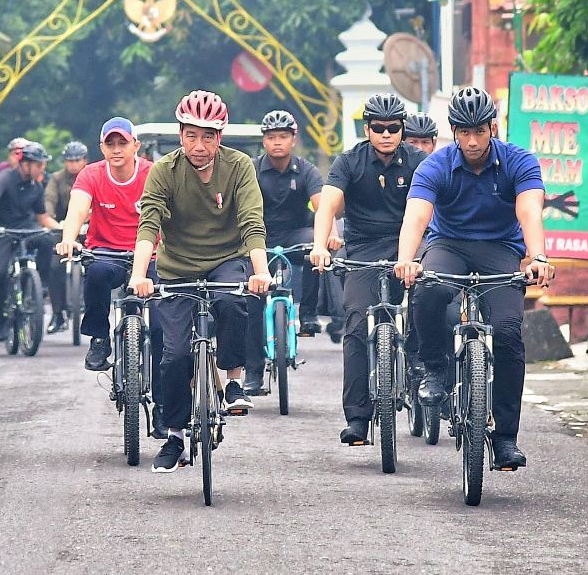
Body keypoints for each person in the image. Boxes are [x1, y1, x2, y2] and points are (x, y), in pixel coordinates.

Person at [395, 86, 554, 470]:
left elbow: (529, 210)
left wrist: (538, 256)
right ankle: (433, 366)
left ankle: (504, 440)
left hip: (500, 248)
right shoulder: (434, 166)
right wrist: (406, 261)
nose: (472, 140)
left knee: (507, 332)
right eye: (463, 132)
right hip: (449, 244)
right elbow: (416, 215)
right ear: (453, 131)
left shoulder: (519, 161)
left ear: (493, 128)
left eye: (479, 131)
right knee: (429, 290)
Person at [127, 90, 273, 473]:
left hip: (226, 260)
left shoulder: (239, 166)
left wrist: (260, 270)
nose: (200, 145)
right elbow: (149, 225)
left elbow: (252, 222)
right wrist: (139, 275)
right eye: (192, 135)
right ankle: (174, 434)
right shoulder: (164, 171)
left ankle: (234, 379)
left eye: (208, 136)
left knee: (233, 302)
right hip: (176, 269)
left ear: (219, 137)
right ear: (180, 135)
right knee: (174, 353)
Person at [309, 93, 426, 445]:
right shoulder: (349, 161)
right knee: (357, 323)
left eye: (394, 128)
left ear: (403, 129)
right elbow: (327, 206)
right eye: (379, 127)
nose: (386, 134)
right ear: (368, 128)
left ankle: (421, 363)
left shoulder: (419, 161)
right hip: (362, 249)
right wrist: (319, 244)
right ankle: (358, 419)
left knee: (427, 300)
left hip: (410, 243)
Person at [55, 118, 167, 437]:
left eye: (123, 143)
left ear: (135, 145)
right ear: (102, 147)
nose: (117, 150)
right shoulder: (91, 174)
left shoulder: (152, 173)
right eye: (110, 144)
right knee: (97, 271)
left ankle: (162, 410)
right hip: (108, 252)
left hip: (154, 255)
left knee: (161, 330)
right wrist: (69, 238)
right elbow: (78, 209)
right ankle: (99, 338)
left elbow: (170, 212)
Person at [243, 110, 325, 396]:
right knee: (251, 299)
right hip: (258, 237)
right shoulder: (251, 170)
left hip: (295, 234)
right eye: (271, 137)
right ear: (264, 141)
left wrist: (329, 237)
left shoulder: (307, 170)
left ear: (293, 138)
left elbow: (321, 205)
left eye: (283, 137)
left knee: (316, 248)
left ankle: (309, 314)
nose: (277, 142)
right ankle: (252, 371)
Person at [0, 142, 61, 342]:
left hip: (27, 228)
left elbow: (42, 217)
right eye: (39, 165)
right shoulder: (5, 178)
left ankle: (39, 283)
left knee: (48, 240)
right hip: (2, 230)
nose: (43, 169)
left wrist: (62, 230)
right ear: (25, 164)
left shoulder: (37, 186)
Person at [43, 141, 89, 333]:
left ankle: (91, 310)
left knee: (96, 265)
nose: (72, 164)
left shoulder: (93, 174)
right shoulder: (56, 178)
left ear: (84, 160)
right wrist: (55, 223)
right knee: (54, 266)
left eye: (76, 160)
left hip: (90, 227)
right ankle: (57, 314)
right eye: (68, 160)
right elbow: (48, 202)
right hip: (63, 228)